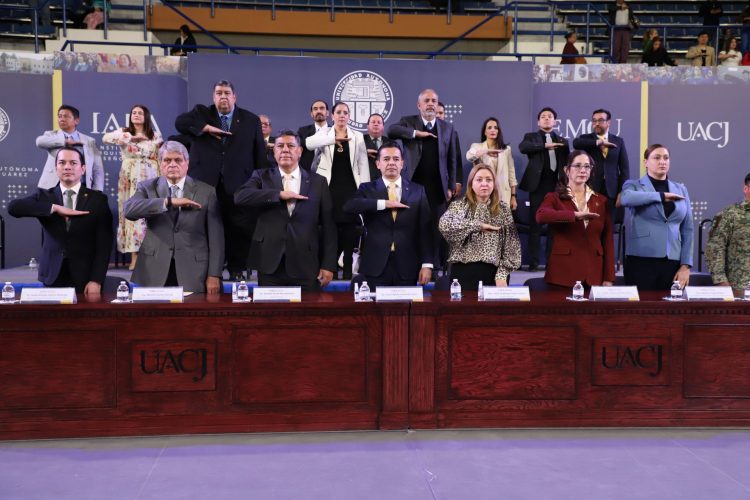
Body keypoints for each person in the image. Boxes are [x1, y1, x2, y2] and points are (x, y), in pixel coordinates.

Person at [174, 80, 265, 282]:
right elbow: (180, 123)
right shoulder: (201, 114)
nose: (223, 96)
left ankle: (236, 269)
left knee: (238, 228)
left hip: (239, 183)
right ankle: (208, 270)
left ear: (234, 96)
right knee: (205, 227)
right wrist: (206, 128)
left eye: (226, 93)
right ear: (213, 97)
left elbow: (259, 152)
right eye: (218, 93)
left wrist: (260, 182)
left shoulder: (250, 119)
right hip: (206, 183)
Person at [233, 131, 337, 291]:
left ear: (300, 151)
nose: (285, 150)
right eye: (280, 146)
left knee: (309, 308)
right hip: (269, 264)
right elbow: (240, 196)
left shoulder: (318, 182)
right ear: (273, 151)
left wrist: (328, 265)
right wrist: (279, 195)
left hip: (306, 264)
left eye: (291, 145)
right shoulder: (261, 176)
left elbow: (329, 227)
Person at [8, 146, 113, 295]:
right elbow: (13, 208)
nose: (67, 167)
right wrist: (54, 208)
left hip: (85, 276)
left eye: (73, 163)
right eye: (62, 163)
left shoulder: (98, 200)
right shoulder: (44, 197)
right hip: (52, 275)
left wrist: (96, 280)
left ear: (83, 169)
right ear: (56, 168)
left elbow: (104, 245)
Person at [124, 141, 224, 294]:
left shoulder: (207, 191)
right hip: (154, 269)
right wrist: (168, 202)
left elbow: (216, 239)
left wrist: (214, 274)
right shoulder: (147, 187)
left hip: (194, 271)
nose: (172, 164)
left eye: (178, 160)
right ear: (160, 163)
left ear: (187, 163)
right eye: (167, 160)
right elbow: (129, 210)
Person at [342, 142, 433, 288]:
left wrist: (427, 264)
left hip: (407, 266)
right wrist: (384, 204)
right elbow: (349, 206)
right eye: (386, 159)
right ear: (378, 164)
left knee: (405, 304)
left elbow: (425, 230)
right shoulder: (367, 188)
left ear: (402, 163)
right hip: (374, 265)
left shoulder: (418, 190)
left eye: (396, 159)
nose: (391, 163)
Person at [388, 88, 459, 269]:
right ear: (418, 105)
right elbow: (391, 130)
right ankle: (411, 266)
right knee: (411, 227)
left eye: (433, 101)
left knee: (436, 230)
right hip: (413, 187)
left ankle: (433, 267)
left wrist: (450, 186)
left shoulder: (447, 128)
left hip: (437, 188)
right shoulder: (408, 121)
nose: (430, 104)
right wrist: (416, 134)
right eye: (426, 101)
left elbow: (452, 159)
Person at [305, 102, 370, 279]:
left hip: (350, 188)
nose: (342, 115)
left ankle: (348, 269)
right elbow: (309, 143)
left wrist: (364, 190)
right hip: (328, 188)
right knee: (329, 228)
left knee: (350, 229)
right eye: (338, 112)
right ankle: (330, 268)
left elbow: (363, 164)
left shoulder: (357, 136)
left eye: (345, 113)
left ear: (349, 117)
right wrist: (333, 139)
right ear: (332, 116)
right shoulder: (324, 133)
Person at [536, 151, 615, 288]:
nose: (583, 170)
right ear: (567, 170)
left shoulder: (601, 201)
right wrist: (574, 215)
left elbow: (607, 240)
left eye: (587, 166)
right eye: (577, 166)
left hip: (594, 274)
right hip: (563, 274)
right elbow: (541, 216)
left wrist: (609, 277)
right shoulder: (554, 197)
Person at [621, 144, 693, 290]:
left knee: (673, 304)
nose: (662, 162)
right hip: (641, 261)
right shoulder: (633, 185)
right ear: (645, 162)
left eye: (666, 158)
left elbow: (688, 229)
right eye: (657, 157)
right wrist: (661, 196)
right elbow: (626, 198)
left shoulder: (681, 189)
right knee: (642, 304)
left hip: (673, 261)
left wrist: (685, 266)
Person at [439, 164, 521, 290]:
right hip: (462, 272)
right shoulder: (459, 206)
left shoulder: (503, 209)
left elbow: (512, 248)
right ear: (471, 183)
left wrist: (502, 274)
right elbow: (444, 225)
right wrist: (477, 225)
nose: (484, 184)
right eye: (479, 179)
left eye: (489, 180)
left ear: (494, 184)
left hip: (494, 274)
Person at [103, 104, 163, 271]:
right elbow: (106, 138)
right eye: (134, 113)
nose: (136, 115)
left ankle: (149, 256)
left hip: (150, 175)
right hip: (129, 177)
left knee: (149, 214)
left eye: (140, 113)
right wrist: (129, 138)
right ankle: (134, 257)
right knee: (131, 213)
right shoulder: (124, 131)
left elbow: (159, 157)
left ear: (146, 116)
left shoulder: (155, 135)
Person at [519, 107, 570, 272]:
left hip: (557, 187)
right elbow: (523, 148)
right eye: (543, 116)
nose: (546, 118)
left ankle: (551, 262)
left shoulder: (562, 141)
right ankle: (533, 263)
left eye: (550, 116)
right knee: (535, 225)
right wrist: (545, 145)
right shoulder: (531, 137)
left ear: (555, 121)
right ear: (538, 122)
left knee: (554, 227)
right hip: (538, 186)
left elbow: (567, 164)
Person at [572, 108, 630, 214]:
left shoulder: (618, 141)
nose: (597, 123)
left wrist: (622, 191)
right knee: (592, 222)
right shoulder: (586, 139)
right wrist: (599, 142)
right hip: (590, 189)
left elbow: (624, 169)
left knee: (611, 222)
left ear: (609, 122)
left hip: (612, 191)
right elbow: (576, 143)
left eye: (601, 120)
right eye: (594, 120)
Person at [37, 104, 104, 192]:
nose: (61, 119)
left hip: (81, 186)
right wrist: (65, 142)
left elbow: (97, 168)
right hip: (52, 186)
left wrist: (97, 190)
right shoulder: (51, 135)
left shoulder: (89, 141)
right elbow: (39, 142)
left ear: (76, 121)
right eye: (59, 116)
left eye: (66, 116)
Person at [705, 173, 750, 291]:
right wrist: (721, 281)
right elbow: (715, 248)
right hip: (740, 288)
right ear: (746, 189)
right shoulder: (730, 214)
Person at [466, 117, 518, 211]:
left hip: (503, 193)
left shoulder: (506, 149)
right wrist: (486, 151)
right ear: (485, 132)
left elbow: (512, 174)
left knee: (502, 219)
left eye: (495, 127)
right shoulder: (477, 146)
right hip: (483, 192)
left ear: (498, 131)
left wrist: (513, 196)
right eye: (489, 127)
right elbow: (469, 157)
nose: (493, 130)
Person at [437, 101, 463, 197]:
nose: (438, 115)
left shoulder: (452, 133)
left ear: (444, 115)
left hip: (448, 184)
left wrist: (458, 181)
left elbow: (457, 159)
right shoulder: (422, 133)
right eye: (435, 113)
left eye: (441, 113)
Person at [297, 99, 330, 171]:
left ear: (327, 113)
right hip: (307, 172)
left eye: (322, 108)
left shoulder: (334, 131)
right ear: (312, 114)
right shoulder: (302, 131)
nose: (319, 111)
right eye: (315, 109)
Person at [363, 113, 386, 181]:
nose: (376, 124)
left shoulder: (391, 143)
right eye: (373, 122)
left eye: (379, 122)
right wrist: (363, 152)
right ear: (367, 126)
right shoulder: (359, 141)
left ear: (383, 126)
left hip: (385, 181)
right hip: (365, 180)